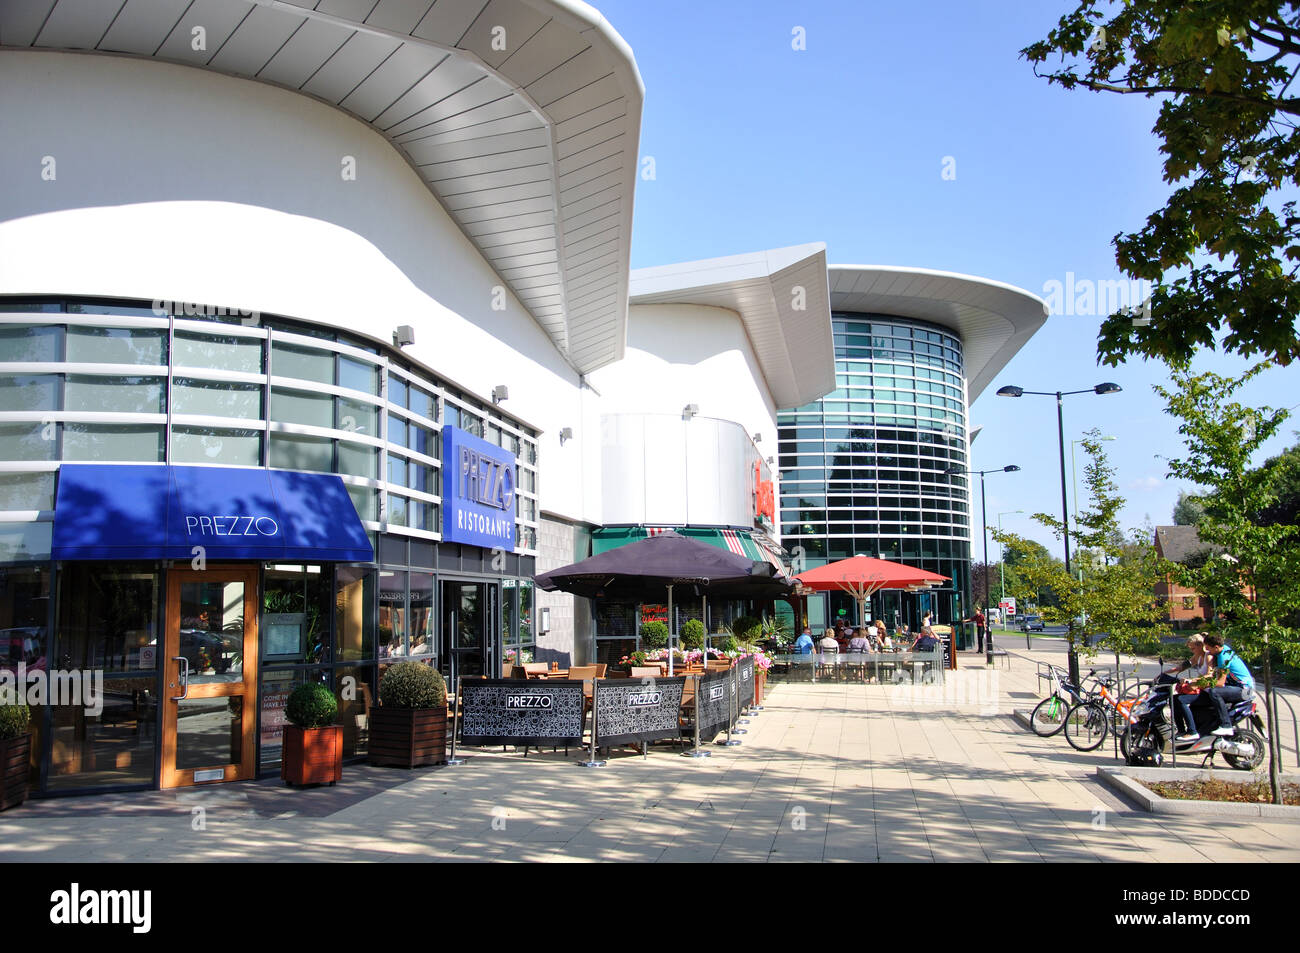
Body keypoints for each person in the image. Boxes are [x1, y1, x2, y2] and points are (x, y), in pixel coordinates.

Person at [1203, 634, 1255, 737]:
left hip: (1244, 689)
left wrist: (1200, 684)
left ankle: (1226, 726)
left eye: (1208, 648)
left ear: (1216, 647)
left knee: (1215, 692)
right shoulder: (1224, 650)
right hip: (1237, 686)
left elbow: (1220, 683)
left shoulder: (1223, 657)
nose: (1207, 651)